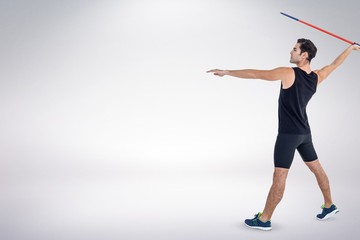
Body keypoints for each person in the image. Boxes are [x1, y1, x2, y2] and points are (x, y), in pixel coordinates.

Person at [207, 39, 360, 231]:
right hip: (304, 133)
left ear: (304, 55)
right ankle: (329, 206)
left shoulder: (289, 73)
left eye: (295, 49)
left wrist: (227, 72)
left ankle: (264, 219)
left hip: (288, 135)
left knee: (279, 176)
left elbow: (256, 74)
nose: (291, 52)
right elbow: (335, 64)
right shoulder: (317, 77)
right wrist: (351, 48)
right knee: (317, 169)